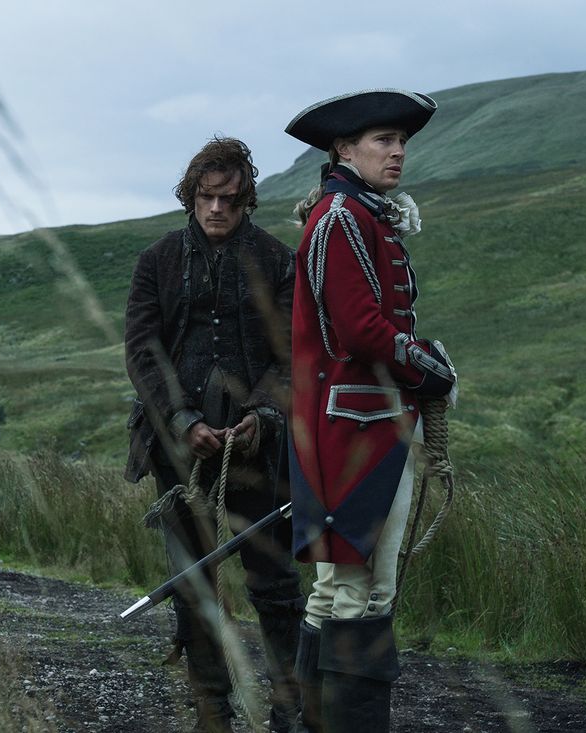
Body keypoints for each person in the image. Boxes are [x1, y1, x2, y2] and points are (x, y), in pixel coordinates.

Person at [283, 89, 458, 732]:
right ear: (344, 149)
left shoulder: (358, 215)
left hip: (354, 422)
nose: (398, 152)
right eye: (384, 140)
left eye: (402, 141)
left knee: (335, 589)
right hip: (359, 428)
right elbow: (360, 332)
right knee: (365, 590)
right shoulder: (343, 218)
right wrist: (430, 368)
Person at [123, 137, 305, 733]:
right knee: (193, 584)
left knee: (275, 583)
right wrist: (181, 421)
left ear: (246, 199)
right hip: (178, 450)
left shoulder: (278, 261)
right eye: (206, 197)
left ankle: (290, 711)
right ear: (191, 197)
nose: (217, 208)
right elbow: (143, 353)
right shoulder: (157, 261)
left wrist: (264, 415)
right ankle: (212, 712)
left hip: (258, 446)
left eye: (229, 198)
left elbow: (293, 355)